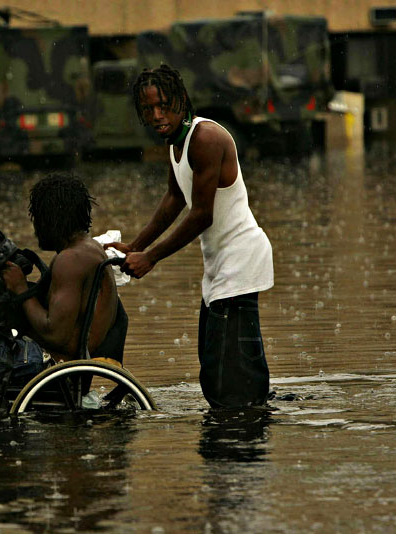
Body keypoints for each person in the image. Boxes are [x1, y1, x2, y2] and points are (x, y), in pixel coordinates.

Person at [105, 64, 274, 409]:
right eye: (149, 109)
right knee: (214, 366)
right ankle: (238, 427)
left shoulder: (206, 138)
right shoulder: (176, 143)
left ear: (181, 99)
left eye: (164, 106)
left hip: (241, 260)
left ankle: (247, 438)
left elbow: (201, 214)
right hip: (219, 264)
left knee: (232, 371)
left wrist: (150, 258)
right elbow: (174, 199)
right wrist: (135, 246)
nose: (157, 115)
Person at [0, 174, 128, 410]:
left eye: (37, 218)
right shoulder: (88, 249)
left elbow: (56, 334)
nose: (36, 227)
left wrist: (20, 288)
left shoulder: (71, 259)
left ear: (51, 218)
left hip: (50, 367)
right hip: (64, 363)